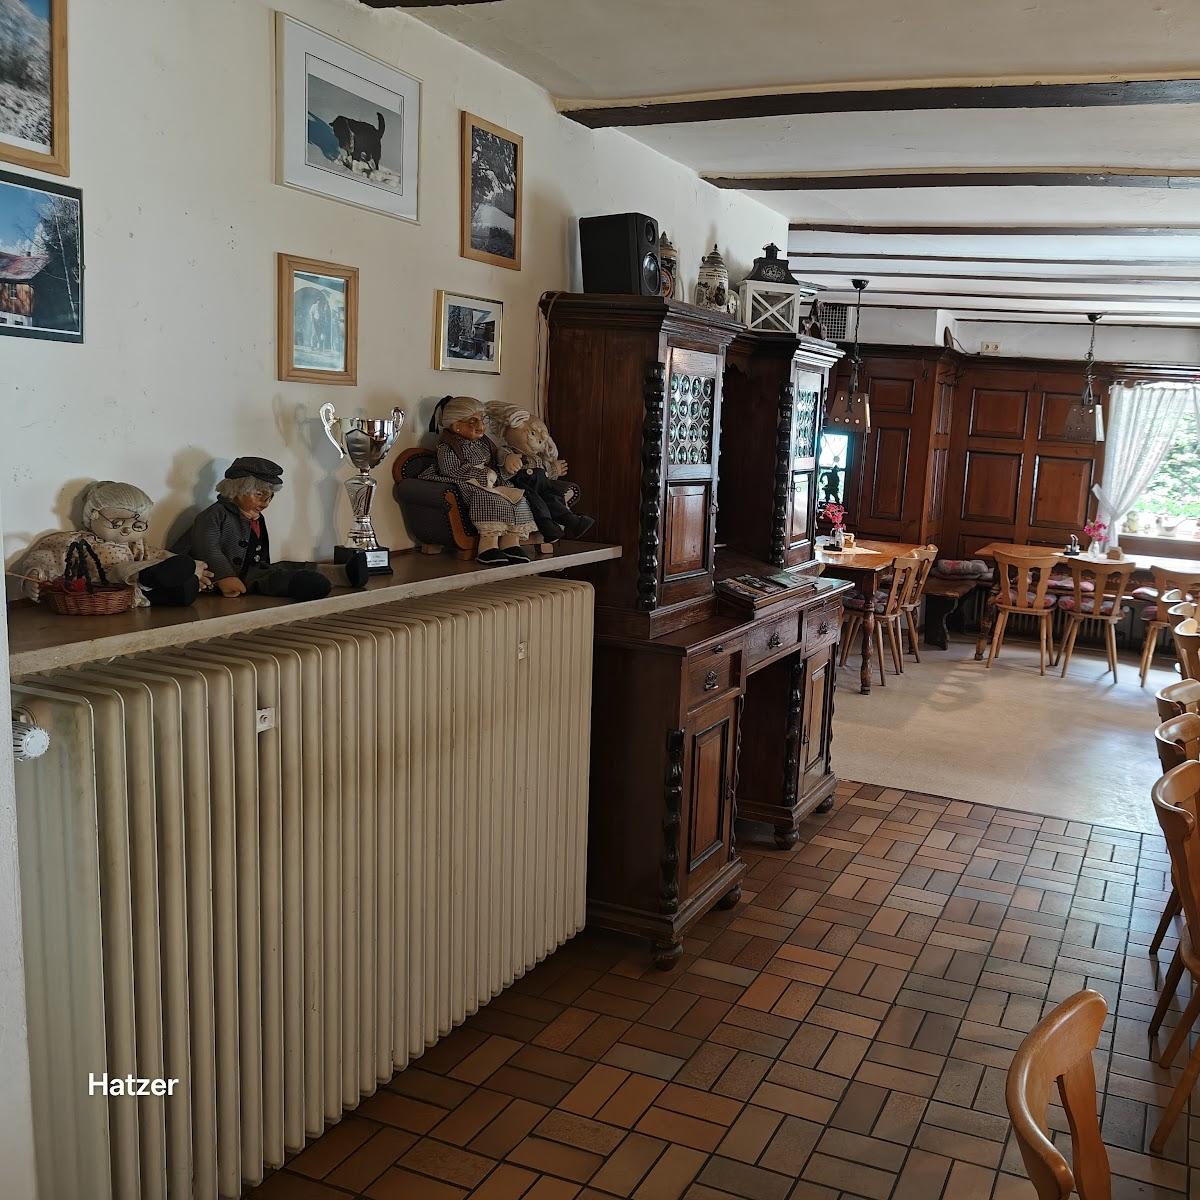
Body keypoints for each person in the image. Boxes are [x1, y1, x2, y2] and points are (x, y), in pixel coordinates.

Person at [173, 456, 367, 601]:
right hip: (220, 578)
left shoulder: (255, 516)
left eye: (270, 497)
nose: (266, 502)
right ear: (237, 490)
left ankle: (342, 574)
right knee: (274, 578)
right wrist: (225, 577)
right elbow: (209, 549)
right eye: (259, 495)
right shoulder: (214, 515)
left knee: (284, 566)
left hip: (251, 571)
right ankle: (302, 584)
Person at [14, 480, 210, 606]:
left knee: (181, 572)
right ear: (91, 516)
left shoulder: (136, 545)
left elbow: (156, 555)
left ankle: (163, 583)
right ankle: (145, 577)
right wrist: (34, 576)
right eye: (116, 523)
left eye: (137, 525)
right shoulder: (76, 541)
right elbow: (46, 557)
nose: (126, 530)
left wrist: (190, 566)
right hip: (102, 587)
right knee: (122, 570)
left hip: (134, 594)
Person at [422, 396, 538, 565]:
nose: (480, 426)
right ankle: (488, 547)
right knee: (489, 498)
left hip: (490, 480)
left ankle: (510, 543)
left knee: (517, 497)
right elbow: (451, 470)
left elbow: (495, 459)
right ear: (456, 426)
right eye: (473, 421)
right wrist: (483, 475)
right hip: (469, 482)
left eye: (482, 420)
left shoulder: (484, 443)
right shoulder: (447, 447)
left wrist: (505, 465)